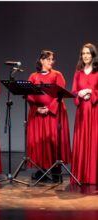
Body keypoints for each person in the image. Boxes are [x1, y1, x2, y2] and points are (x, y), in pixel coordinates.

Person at [27, 50, 71, 181]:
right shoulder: (33, 76)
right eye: (48, 59)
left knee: (54, 141)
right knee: (40, 141)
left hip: (54, 113)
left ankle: (56, 172)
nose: (51, 61)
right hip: (38, 114)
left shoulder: (57, 75)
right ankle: (42, 171)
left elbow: (60, 93)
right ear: (41, 60)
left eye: (52, 59)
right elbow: (29, 95)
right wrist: (37, 109)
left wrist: (49, 108)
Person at [71, 43, 98, 184]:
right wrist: (79, 94)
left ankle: (94, 176)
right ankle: (80, 176)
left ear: (93, 55)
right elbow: (73, 91)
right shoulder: (78, 73)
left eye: (88, 53)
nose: (85, 56)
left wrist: (91, 92)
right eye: (83, 53)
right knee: (81, 141)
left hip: (95, 111)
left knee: (94, 141)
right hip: (82, 111)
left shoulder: (97, 72)